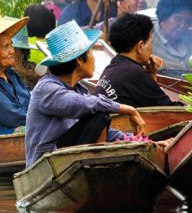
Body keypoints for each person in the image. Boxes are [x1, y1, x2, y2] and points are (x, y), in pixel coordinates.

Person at [25, 21, 146, 167]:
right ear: (78, 60)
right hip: (44, 165)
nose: (94, 58)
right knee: (100, 116)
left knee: (99, 117)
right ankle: (99, 166)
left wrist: (139, 141)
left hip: (62, 158)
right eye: (90, 52)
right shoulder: (46, 88)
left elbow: (102, 131)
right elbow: (80, 104)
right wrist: (126, 109)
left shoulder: (78, 89)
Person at [95, 14, 182, 107]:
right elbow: (170, 110)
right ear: (140, 46)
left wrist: (152, 74)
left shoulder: (113, 67)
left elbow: (153, 100)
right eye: (150, 43)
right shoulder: (134, 73)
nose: (151, 49)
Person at [153, 0, 192, 72]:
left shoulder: (190, 38)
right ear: (163, 17)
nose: (183, 25)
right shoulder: (148, 38)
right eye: (178, 19)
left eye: (187, 21)